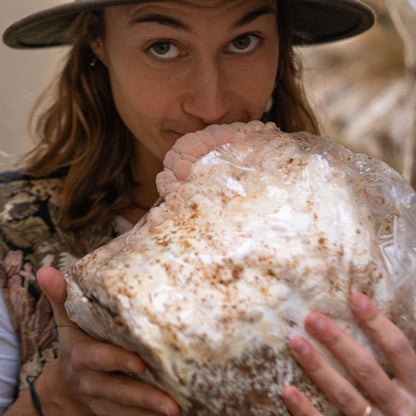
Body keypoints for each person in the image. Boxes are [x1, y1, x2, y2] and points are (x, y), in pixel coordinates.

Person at [0, 0, 415, 415]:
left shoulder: (370, 233)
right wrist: (55, 398)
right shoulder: (11, 235)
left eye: (243, 41)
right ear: (99, 40)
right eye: (163, 46)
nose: (210, 105)